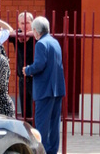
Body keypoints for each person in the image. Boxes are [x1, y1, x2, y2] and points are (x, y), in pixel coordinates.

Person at [23, 16, 66, 154]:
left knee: (41, 124)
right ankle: (52, 151)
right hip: (57, 88)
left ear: (36, 30)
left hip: (45, 89)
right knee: (54, 124)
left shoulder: (41, 44)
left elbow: (40, 65)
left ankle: (41, 151)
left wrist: (28, 69)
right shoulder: (55, 42)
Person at [9, 11, 35, 120]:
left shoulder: (36, 36)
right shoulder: (16, 35)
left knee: (36, 109)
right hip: (23, 79)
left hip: (35, 78)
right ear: (19, 24)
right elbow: (5, 33)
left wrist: (29, 34)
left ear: (32, 23)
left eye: (27, 23)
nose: (25, 26)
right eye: (22, 23)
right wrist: (17, 34)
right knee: (25, 112)